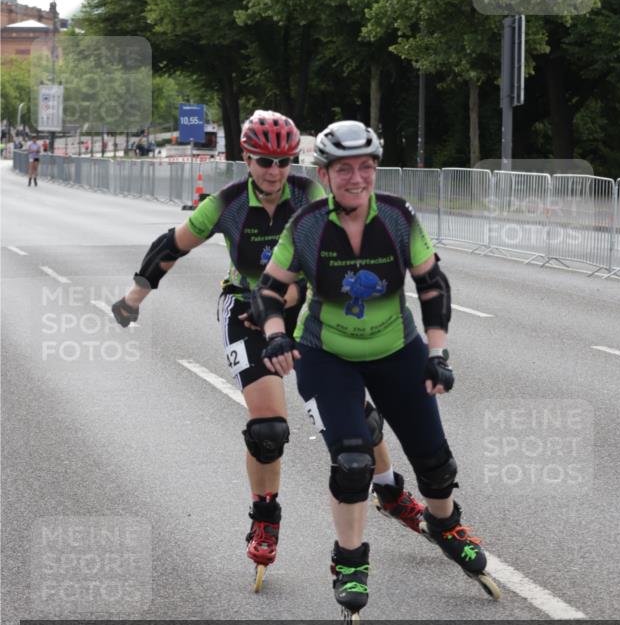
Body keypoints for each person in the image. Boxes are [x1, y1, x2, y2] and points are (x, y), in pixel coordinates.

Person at [109, 111, 412, 587]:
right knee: (269, 429)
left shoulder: (309, 196)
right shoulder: (227, 205)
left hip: (304, 306)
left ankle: (389, 490)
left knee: (358, 417)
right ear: (247, 158)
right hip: (245, 308)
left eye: (285, 161)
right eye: (265, 161)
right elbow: (172, 246)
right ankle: (265, 516)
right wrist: (133, 299)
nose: (275, 171)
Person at [252, 120, 499, 618]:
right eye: (344, 169)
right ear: (324, 174)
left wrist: (437, 353)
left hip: (397, 348)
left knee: (436, 464)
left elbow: (433, 285)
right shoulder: (305, 226)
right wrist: (277, 333)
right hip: (327, 355)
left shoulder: (398, 217)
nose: (357, 178)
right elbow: (270, 291)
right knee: (352, 462)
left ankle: (445, 525)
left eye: (366, 167)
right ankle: (349, 560)